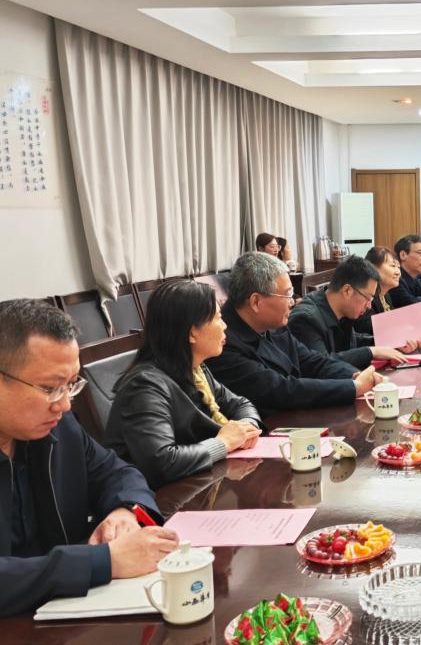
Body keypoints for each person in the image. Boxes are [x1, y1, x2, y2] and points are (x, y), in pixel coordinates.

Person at [0, 299, 179, 616]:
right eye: (50, 388)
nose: (65, 405)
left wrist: (124, 511)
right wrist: (103, 562)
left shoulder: (60, 428)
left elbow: (118, 473)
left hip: (65, 614)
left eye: (71, 385)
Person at [104, 281, 263, 489]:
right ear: (192, 333)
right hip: (154, 498)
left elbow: (240, 404)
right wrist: (223, 443)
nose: (225, 326)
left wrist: (247, 428)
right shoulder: (144, 386)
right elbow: (162, 462)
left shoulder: (196, 369)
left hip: (195, 485)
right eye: (218, 318)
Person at [206, 252, 383, 415]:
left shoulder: (274, 324)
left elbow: (311, 361)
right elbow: (281, 390)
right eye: (287, 295)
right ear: (256, 302)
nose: (292, 302)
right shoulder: (222, 340)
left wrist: (353, 375)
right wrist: (353, 387)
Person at [288, 257, 418, 368]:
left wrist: (392, 343)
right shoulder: (305, 318)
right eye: (368, 298)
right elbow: (322, 364)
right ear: (347, 291)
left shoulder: (342, 309)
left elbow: (353, 341)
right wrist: (371, 352)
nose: (369, 306)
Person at [354, 246, 400, 335]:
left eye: (398, 267)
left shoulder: (385, 294)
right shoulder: (366, 296)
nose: (398, 272)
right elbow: (370, 328)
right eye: (393, 266)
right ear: (373, 268)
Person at [390, 234, 421, 309]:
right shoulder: (396, 280)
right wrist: (420, 299)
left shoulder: (416, 278)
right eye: (420, 253)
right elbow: (413, 307)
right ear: (403, 255)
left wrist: (419, 299)